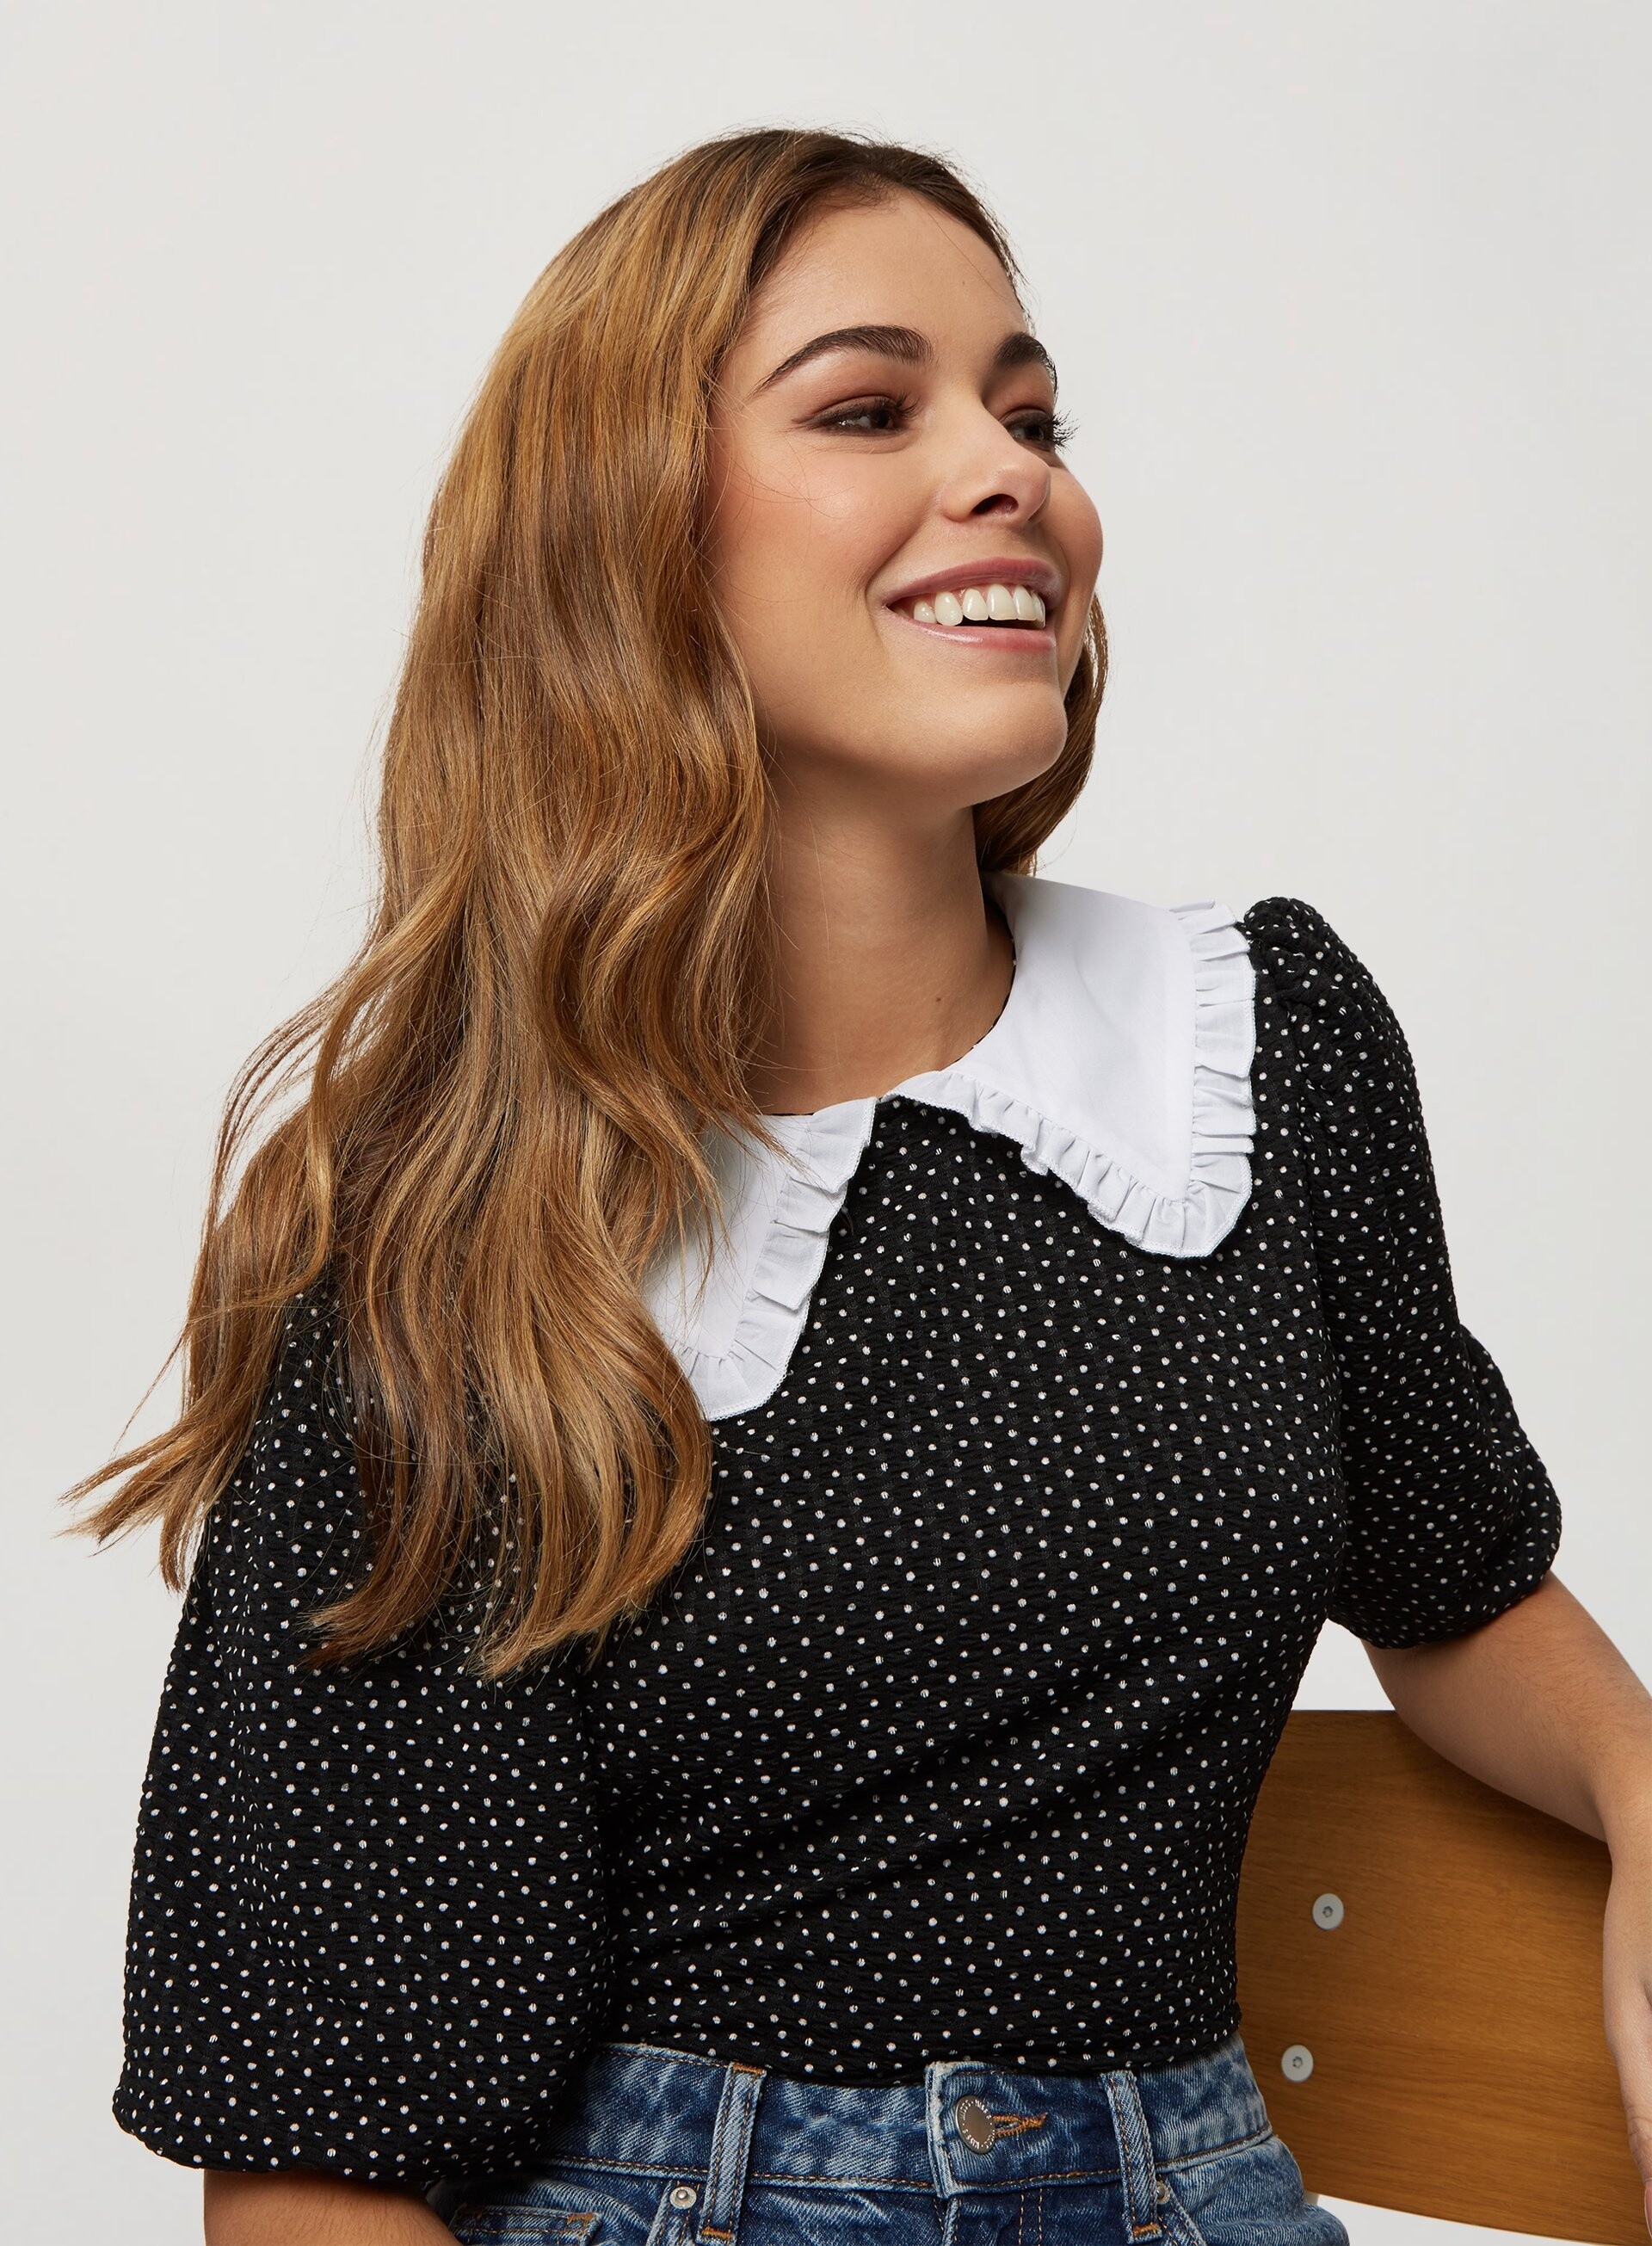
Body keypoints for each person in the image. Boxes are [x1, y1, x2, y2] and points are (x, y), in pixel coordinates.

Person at [70, 126, 1652, 2246]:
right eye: (868, 409)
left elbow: (1457, 1580)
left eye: (1031, 416)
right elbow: (315, 2147)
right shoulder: (457, 1230)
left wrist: (1645, 1784)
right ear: (630, 530)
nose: (1011, 475)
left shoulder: (1256, 1051)